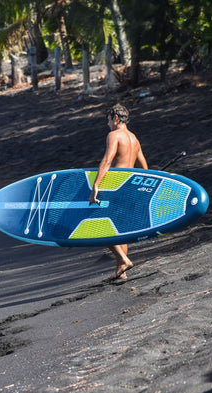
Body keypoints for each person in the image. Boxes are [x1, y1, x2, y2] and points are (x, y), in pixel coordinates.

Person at [89, 103, 148, 281]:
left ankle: (124, 260)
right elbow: (144, 168)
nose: (108, 124)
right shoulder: (134, 139)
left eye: (108, 120)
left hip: (116, 187)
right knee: (120, 229)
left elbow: (107, 160)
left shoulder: (114, 135)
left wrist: (96, 185)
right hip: (130, 188)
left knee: (99, 227)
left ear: (115, 118)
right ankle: (121, 270)